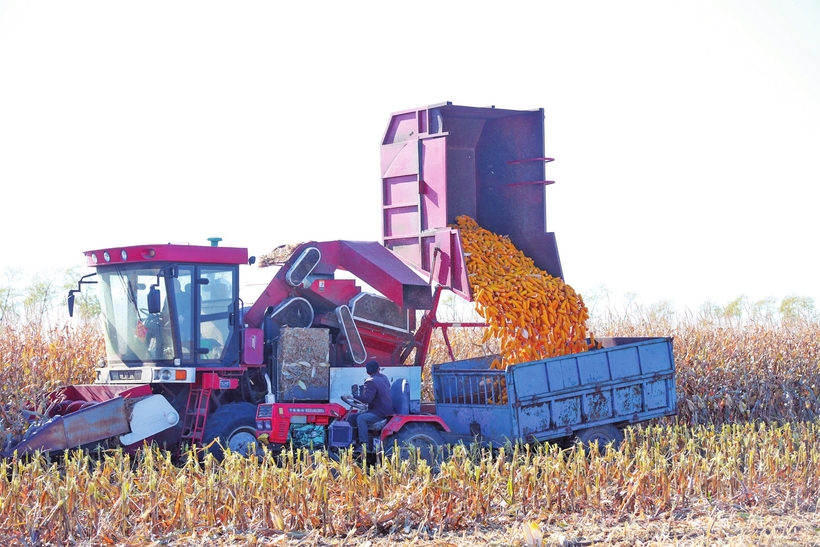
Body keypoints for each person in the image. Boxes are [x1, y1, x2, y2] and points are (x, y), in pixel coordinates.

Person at [347, 360, 392, 455]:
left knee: (361, 418)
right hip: (385, 409)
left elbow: (367, 398)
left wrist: (354, 397)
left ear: (367, 372)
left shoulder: (370, 381)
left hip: (379, 412)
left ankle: (364, 445)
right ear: (379, 369)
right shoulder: (384, 378)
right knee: (352, 418)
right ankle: (354, 441)